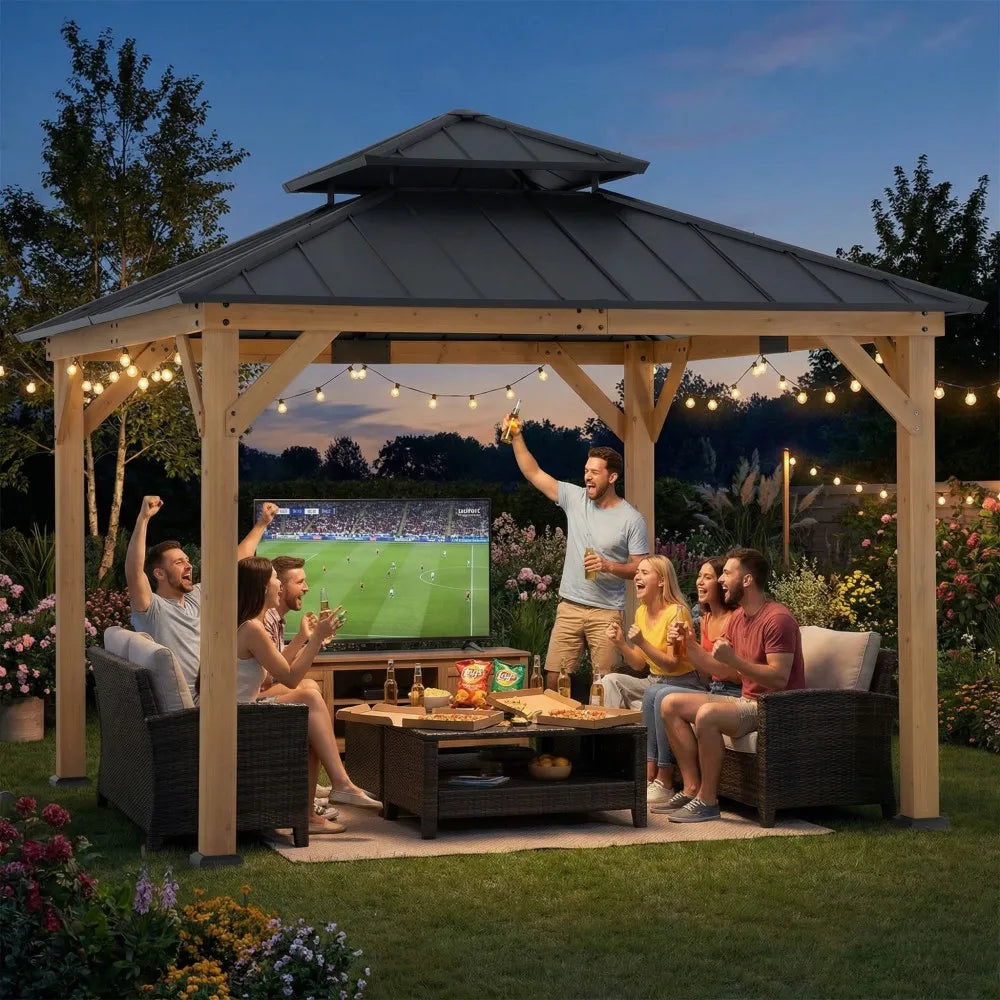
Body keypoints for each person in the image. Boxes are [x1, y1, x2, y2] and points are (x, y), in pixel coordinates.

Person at [231, 558, 381, 833]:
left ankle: (313, 810)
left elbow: (274, 674)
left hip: (242, 709)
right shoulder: (252, 628)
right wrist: (315, 639)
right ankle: (340, 784)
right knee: (309, 699)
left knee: (310, 697)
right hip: (239, 719)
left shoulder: (249, 624)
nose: (278, 583)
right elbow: (289, 677)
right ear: (264, 587)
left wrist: (307, 638)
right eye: (276, 578)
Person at [502, 414, 648, 689]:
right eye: (586, 471)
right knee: (555, 679)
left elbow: (641, 570)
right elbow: (533, 472)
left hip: (607, 612)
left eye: (595, 472)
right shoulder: (575, 498)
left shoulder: (631, 519)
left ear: (612, 476)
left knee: (605, 685)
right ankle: (558, 731)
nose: (587, 476)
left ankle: (598, 731)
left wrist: (607, 566)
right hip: (569, 606)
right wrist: (517, 437)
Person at [659, 548, 805, 823]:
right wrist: (688, 646)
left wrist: (734, 659)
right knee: (670, 704)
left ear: (747, 580)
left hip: (775, 706)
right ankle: (691, 789)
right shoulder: (739, 617)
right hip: (747, 700)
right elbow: (722, 668)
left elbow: (778, 678)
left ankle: (708, 800)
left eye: (727, 573)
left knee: (708, 715)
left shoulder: (777, 619)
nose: (721, 580)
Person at [125, 496, 277, 696]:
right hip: (200, 705)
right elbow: (134, 571)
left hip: (218, 690)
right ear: (159, 574)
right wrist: (143, 518)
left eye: (187, 560)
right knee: (306, 696)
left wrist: (262, 523)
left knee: (307, 690)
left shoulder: (196, 596)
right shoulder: (153, 609)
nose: (189, 565)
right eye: (179, 562)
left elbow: (238, 564)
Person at [604, 557, 703, 803]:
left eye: (644, 572)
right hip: (654, 679)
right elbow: (639, 663)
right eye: (636, 572)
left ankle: (658, 776)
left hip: (684, 682)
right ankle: (613, 758)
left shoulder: (677, 613)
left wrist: (641, 642)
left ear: (661, 581)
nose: (636, 577)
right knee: (611, 681)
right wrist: (621, 643)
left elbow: (673, 662)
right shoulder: (640, 611)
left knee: (656, 693)